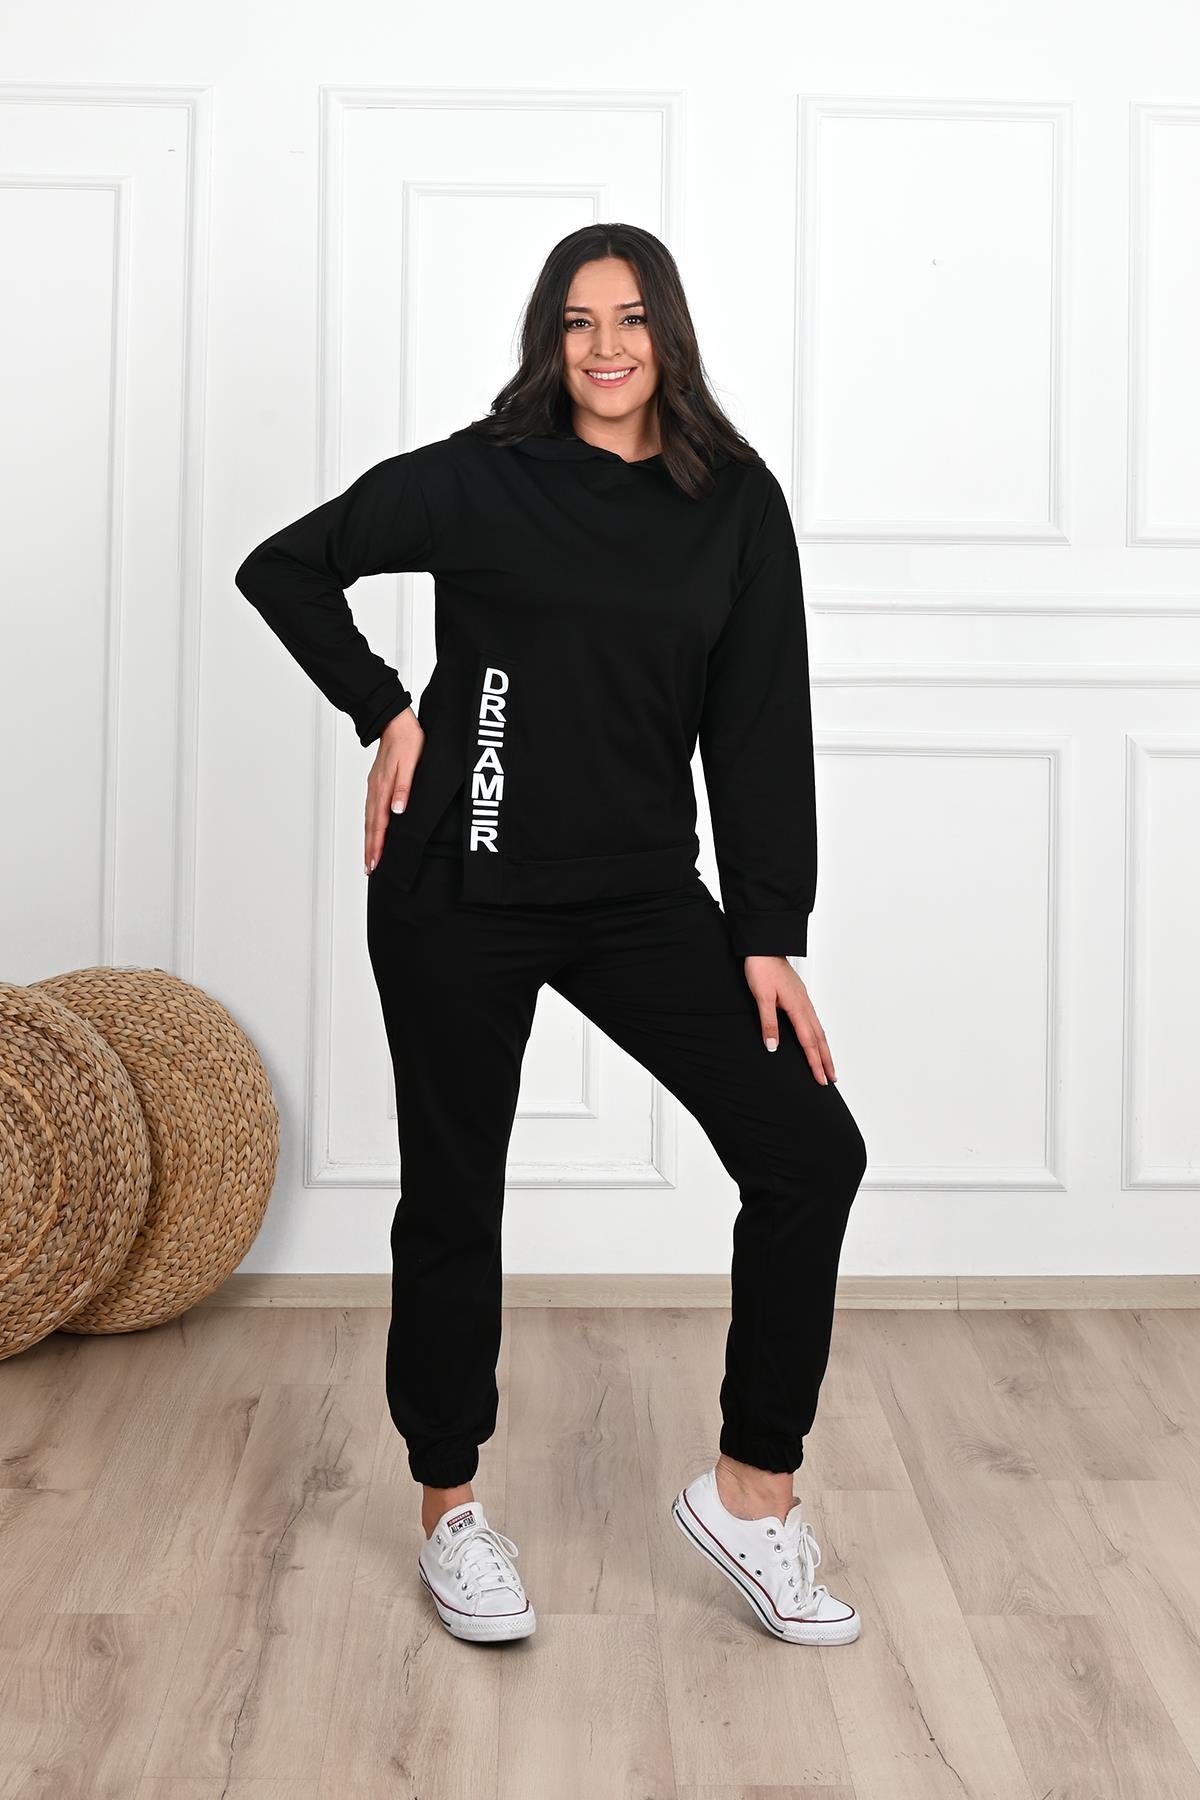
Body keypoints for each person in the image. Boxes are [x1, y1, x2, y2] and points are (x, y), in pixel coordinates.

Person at [234, 222, 869, 1649]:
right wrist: (387, 710)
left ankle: (751, 1495)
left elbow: (760, 727)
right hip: (458, 878)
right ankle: (449, 1512)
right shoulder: (483, 476)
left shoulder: (734, 503)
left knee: (809, 1151)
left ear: (669, 334)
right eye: (578, 321)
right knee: (454, 1193)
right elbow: (287, 566)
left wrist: (765, 931)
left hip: (638, 894)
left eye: (630, 318)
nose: (605, 346)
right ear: (549, 339)